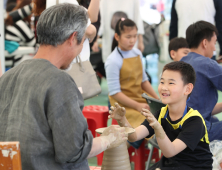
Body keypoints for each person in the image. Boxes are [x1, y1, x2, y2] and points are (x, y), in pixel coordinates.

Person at [0, 4, 127, 170]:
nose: (81, 48)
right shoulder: (60, 81)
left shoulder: (8, 77)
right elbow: (73, 150)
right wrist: (108, 139)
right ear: (73, 38)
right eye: (83, 41)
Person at [109, 61, 213, 170]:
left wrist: (158, 128)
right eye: (162, 82)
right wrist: (122, 120)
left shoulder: (194, 121)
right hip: (172, 164)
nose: (164, 87)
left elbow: (170, 151)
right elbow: (133, 136)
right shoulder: (161, 113)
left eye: (171, 83)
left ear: (187, 89)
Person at [105, 18, 159, 148]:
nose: (132, 40)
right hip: (122, 103)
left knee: (160, 114)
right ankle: (128, 149)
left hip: (139, 97)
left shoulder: (137, 53)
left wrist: (157, 99)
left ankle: (146, 146)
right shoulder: (113, 60)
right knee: (144, 122)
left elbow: (144, 81)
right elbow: (115, 92)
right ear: (117, 36)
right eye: (128, 37)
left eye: (135, 36)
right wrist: (137, 106)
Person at [181, 20, 222, 141]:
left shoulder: (182, 61)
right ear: (205, 43)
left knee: (214, 120)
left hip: (179, 128)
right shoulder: (208, 65)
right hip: (198, 132)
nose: (214, 48)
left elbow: (199, 106)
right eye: (214, 43)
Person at [4, 0, 36, 68]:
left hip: (8, 58)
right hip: (13, 59)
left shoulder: (14, 20)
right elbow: (33, 44)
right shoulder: (21, 24)